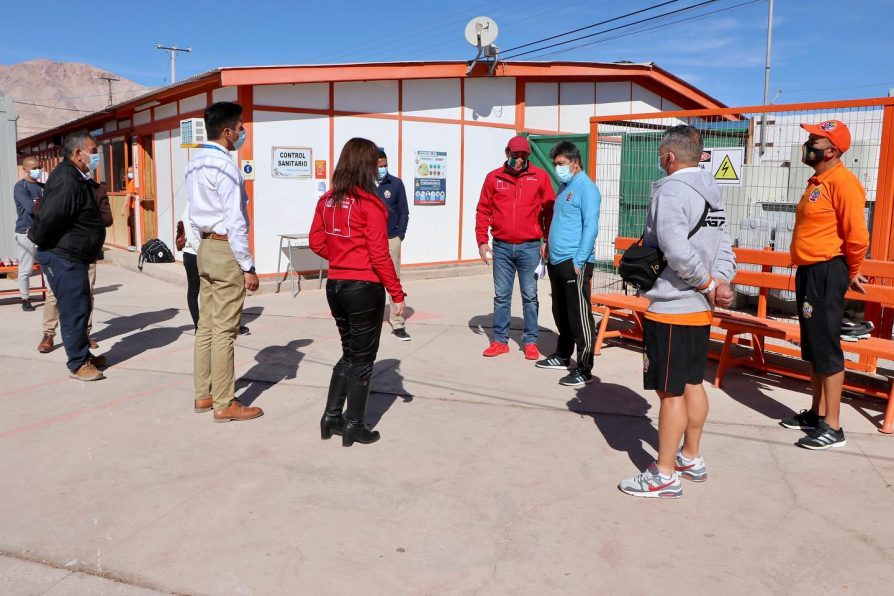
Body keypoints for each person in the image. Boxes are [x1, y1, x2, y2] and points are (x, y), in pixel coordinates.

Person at [618, 124, 736, 498]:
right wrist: (719, 283)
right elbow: (726, 248)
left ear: (669, 156)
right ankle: (690, 457)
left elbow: (673, 247)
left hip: (673, 306)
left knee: (669, 393)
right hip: (701, 310)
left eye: (660, 155)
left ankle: (664, 473)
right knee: (691, 383)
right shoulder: (712, 192)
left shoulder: (671, 190)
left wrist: (703, 284)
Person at [310, 137, 406, 447]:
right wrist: (397, 294)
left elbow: (316, 241)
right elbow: (379, 254)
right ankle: (355, 425)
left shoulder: (327, 200)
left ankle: (332, 416)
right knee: (363, 360)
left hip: (336, 285)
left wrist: (341, 256)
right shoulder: (370, 203)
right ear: (366, 166)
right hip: (364, 288)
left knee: (350, 353)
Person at [779, 120, 869, 450]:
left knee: (826, 347)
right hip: (809, 271)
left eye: (813, 140)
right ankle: (816, 415)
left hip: (827, 271)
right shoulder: (818, 181)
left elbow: (857, 236)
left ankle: (833, 426)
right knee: (814, 346)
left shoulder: (843, 182)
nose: (807, 144)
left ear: (830, 151)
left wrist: (853, 270)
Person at [186, 101, 262, 423]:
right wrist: (247, 265)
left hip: (203, 246)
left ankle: (203, 394)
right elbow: (235, 220)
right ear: (228, 131)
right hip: (224, 248)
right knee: (225, 330)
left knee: (206, 324)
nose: (243, 132)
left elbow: (191, 211)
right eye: (241, 127)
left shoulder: (194, 161)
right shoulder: (226, 166)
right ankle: (224, 402)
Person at [27, 131, 107, 381]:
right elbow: (50, 217)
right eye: (93, 152)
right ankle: (77, 363)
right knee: (74, 309)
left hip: (75, 255)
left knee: (82, 306)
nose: (96, 156)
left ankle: (83, 353)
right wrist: (38, 238)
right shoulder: (67, 179)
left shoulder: (76, 176)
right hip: (63, 255)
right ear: (77, 153)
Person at [475, 135, 555, 359]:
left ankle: (530, 341)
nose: (519, 159)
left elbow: (550, 210)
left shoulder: (539, 177)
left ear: (528, 155)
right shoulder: (494, 178)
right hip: (501, 247)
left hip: (530, 247)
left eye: (523, 155)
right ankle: (500, 340)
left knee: (530, 295)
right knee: (501, 296)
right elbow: (483, 210)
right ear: (506, 153)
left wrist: (547, 240)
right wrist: (482, 240)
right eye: (515, 155)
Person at [535, 141, 601, 387]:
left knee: (579, 315)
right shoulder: (565, 187)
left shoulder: (587, 188)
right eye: (555, 164)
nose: (557, 168)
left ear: (575, 163)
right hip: (556, 259)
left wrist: (580, 259)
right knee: (560, 311)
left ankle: (584, 367)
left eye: (560, 164)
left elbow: (590, 226)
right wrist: (548, 244)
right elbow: (560, 220)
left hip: (575, 262)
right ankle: (563, 355)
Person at [37, 180, 113, 353]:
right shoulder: (58, 185)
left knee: (86, 293)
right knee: (54, 294)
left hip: (86, 251)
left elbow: (107, 218)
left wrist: (84, 217)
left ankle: (84, 333)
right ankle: (48, 334)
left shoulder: (97, 189)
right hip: (60, 251)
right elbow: (39, 211)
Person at [374, 147, 411, 341]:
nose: (383, 168)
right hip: (370, 241)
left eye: (385, 165)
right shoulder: (364, 185)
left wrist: (399, 234)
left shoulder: (396, 184)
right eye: (380, 166)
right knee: (370, 281)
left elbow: (404, 211)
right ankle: (370, 318)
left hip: (391, 239)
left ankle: (397, 324)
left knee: (393, 279)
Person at [13, 156, 43, 311]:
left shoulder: (42, 186)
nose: (37, 170)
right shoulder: (21, 187)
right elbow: (32, 209)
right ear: (25, 170)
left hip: (43, 231)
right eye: (34, 168)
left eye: (39, 167)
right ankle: (25, 298)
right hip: (26, 232)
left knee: (50, 264)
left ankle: (55, 295)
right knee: (26, 269)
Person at [120, 166, 137, 251]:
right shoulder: (135, 182)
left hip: (133, 207)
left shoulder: (132, 182)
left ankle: (135, 244)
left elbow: (128, 195)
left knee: (133, 225)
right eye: (128, 172)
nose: (129, 174)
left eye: (131, 172)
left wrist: (123, 208)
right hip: (135, 207)